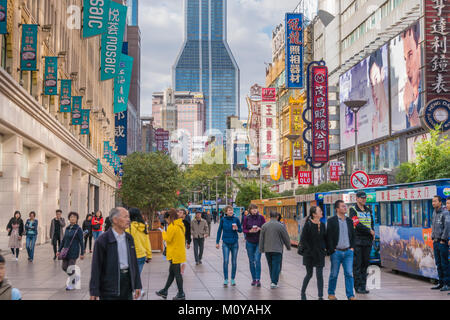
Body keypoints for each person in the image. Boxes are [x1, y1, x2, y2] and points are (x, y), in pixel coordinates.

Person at [90, 207, 142, 300]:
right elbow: (96, 266)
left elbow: (134, 262)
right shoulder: (102, 240)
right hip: (109, 286)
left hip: (127, 283)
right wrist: (94, 290)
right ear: (115, 220)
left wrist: (137, 284)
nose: (128, 220)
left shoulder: (129, 238)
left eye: (129, 217)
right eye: (125, 217)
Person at [327, 200, 356, 300]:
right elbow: (329, 237)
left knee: (349, 273)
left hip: (348, 252)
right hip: (336, 252)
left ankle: (350, 295)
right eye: (343, 206)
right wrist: (332, 250)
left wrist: (352, 248)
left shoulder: (349, 221)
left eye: (345, 206)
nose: (345, 208)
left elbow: (353, 235)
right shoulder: (331, 221)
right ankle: (331, 293)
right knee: (334, 274)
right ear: (337, 209)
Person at [156, 208, 187, 300]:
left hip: (174, 253)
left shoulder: (173, 226)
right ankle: (164, 291)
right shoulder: (180, 224)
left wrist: (163, 232)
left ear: (170, 218)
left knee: (177, 274)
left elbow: (168, 239)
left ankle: (181, 293)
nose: (167, 221)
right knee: (172, 273)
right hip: (178, 252)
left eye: (167, 220)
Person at [349, 190, 375, 294]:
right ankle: (358, 286)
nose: (364, 199)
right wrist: (369, 231)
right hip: (358, 240)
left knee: (365, 264)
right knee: (357, 265)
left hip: (367, 241)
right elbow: (356, 224)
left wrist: (372, 233)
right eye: (362, 198)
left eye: (365, 198)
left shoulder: (368, 210)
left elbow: (371, 223)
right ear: (357, 198)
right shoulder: (353, 209)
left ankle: (363, 286)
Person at [259, 211, 291, 289]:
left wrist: (261, 248)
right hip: (277, 249)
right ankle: (274, 282)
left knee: (270, 266)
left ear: (270, 216)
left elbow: (261, 238)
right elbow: (286, 237)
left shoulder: (264, 226)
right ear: (277, 217)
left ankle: (273, 281)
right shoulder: (280, 226)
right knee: (276, 266)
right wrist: (288, 246)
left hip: (267, 249)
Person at [300, 206, 326, 300]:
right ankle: (303, 292)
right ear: (314, 214)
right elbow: (303, 240)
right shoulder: (308, 224)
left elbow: (324, 239)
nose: (322, 212)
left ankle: (320, 296)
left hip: (320, 254)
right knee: (309, 274)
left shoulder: (322, 225)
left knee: (320, 275)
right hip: (309, 254)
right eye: (320, 211)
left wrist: (326, 249)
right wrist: (310, 250)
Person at [57, 212, 85, 291]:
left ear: (76, 219)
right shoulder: (67, 228)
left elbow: (81, 242)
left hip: (74, 251)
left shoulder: (78, 229)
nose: (72, 218)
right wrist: (59, 250)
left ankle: (72, 284)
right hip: (66, 251)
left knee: (70, 268)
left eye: (74, 217)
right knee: (64, 267)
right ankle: (75, 277)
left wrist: (82, 253)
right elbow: (63, 240)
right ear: (69, 219)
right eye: (71, 217)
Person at [401, 22, 421, 128]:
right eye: (405, 59)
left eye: (410, 55)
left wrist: (412, 115)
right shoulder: (408, 99)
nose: (407, 67)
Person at [216, 205, 242, 286]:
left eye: (232, 210)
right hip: (225, 243)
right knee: (226, 261)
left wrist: (237, 228)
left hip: (234, 243)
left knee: (234, 261)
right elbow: (219, 230)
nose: (231, 211)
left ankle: (233, 279)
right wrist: (217, 242)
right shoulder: (223, 219)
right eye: (229, 210)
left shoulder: (236, 219)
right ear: (226, 212)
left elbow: (241, 230)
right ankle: (226, 279)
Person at [242, 204, 265, 287]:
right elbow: (243, 229)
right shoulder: (246, 218)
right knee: (251, 261)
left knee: (257, 260)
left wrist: (260, 228)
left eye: (256, 209)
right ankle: (254, 279)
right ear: (250, 210)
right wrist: (249, 231)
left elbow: (265, 227)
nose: (254, 210)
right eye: (253, 209)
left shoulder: (261, 217)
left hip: (259, 241)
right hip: (249, 242)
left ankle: (258, 279)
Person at [430, 196, 450, 291]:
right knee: (438, 263)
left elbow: (447, 227)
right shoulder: (434, 213)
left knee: (444, 263)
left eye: (435, 201)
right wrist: (432, 237)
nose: (433, 203)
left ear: (440, 202)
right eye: (432, 201)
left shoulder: (445, 213)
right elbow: (433, 226)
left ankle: (447, 284)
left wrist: (443, 239)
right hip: (435, 242)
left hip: (442, 242)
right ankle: (441, 283)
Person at [368, 49, 388, 136]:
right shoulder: (374, 124)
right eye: (372, 84)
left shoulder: (397, 120)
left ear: (382, 74)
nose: (374, 92)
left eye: (376, 80)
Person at [126, 208, 152, 275]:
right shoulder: (144, 227)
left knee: (131, 278)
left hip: (131, 255)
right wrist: (149, 255)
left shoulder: (128, 227)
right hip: (142, 255)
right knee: (137, 277)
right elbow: (147, 242)